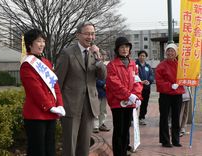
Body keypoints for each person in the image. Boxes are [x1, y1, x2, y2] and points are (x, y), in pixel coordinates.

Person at [55, 21, 106, 156]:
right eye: (87, 34)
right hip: (70, 105)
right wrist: (58, 104)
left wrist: (98, 59)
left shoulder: (95, 53)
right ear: (78, 35)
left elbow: (102, 76)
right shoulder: (67, 53)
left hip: (89, 104)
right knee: (70, 143)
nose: (90, 37)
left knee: (84, 143)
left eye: (93, 34)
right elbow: (58, 81)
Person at [20, 28, 65, 156]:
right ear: (30, 44)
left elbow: (55, 85)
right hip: (35, 115)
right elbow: (36, 90)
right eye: (38, 41)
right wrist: (50, 106)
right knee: (37, 150)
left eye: (43, 41)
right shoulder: (27, 65)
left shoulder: (46, 62)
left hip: (51, 113)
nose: (42, 44)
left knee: (50, 148)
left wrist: (60, 104)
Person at [106, 36, 143, 156]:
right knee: (119, 130)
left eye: (127, 47)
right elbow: (114, 84)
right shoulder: (112, 65)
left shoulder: (133, 64)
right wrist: (129, 95)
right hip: (118, 103)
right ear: (117, 49)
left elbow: (137, 81)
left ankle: (124, 151)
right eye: (122, 47)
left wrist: (137, 96)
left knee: (126, 128)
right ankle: (118, 153)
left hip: (130, 102)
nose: (125, 49)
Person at [155, 43, 185, 148]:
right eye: (168, 51)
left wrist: (194, 76)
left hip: (177, 94)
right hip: (165, 95)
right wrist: (170, 85)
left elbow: (186, 75)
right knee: (164, 117)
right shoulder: (161, 65)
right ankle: (165, 140)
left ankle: (176, 140)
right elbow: (159, 81)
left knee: (176, 117)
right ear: (165, 52)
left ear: (176, 53)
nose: (170, 53)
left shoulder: (180, 65)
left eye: (172, 51)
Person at [135, 50, 154, 125]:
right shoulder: (135, 65)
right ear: (138, 56)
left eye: (144, 56)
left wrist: (149, 81)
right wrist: (140, 81)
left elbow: (151, 75)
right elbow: (134, 76)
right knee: (135, 103)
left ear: (146, 57)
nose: (142, 57)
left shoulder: (148, 66)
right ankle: (132, 118)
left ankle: (142, 117)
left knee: (144, 103)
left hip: (146, 88)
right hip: (137, 88)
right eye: (141, 55)